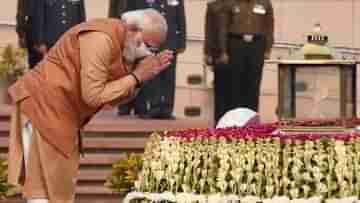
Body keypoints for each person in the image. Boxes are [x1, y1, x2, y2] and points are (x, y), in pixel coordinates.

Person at [8, 9, 173, 203]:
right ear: (132, 30)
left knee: (56, 191)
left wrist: (140, 79)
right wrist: (136, 76)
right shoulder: (100, 38)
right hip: (41, 105)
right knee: (42, 192)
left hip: (62, 115)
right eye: (147, 46)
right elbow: (93, 96)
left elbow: (111, 100)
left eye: (153, 50)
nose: (147, 53)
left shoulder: (124, 47)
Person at [115, 0, 187, 119]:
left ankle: (167, 109)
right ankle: (154, 107)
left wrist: (181, 42)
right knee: (152, 75)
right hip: (151, 39)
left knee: (169, 77)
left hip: (171, 41)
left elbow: (181, 19)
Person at [218, 0, 274, 112]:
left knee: (254, 83)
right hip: (236, 44)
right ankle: (235, 116)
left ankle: (251, 117)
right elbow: (223, 27)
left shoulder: (265, 3)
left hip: (257, 45)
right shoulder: (230, 3)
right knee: (235, 82)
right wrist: (223, 51)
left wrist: (268, 48)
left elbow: (269, 27)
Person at [29, 0, 86, 67]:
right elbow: (39, 17)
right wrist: (39, 41)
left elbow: (81, 17)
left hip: (71, 41)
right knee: (52, 68)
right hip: (51, 41)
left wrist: (82, 38)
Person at [203, 0, 233, 123]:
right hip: (217, 52)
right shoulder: (213, 6)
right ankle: (219, 120)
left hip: (236, 52)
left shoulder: (236, 5)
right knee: (220, 90)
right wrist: (207, 52)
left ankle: (233, 121)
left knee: (235, 89)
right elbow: (209, 30)